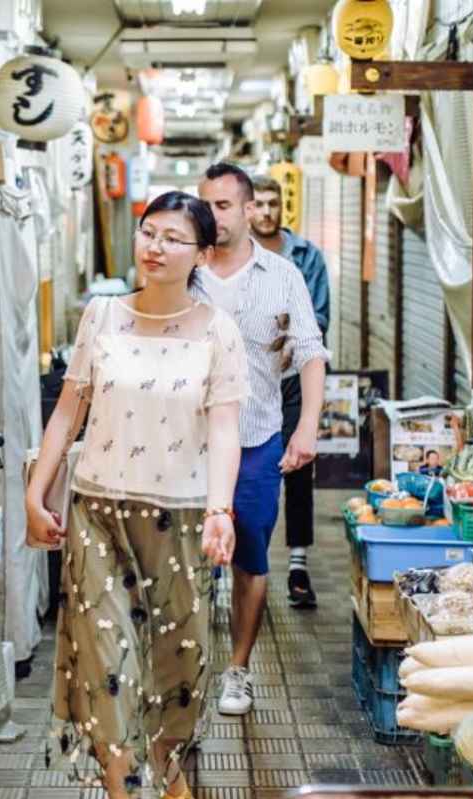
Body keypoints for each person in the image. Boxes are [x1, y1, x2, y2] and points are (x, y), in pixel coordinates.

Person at [26, 191, 246, 799]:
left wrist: (220, 508)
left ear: (201, 253)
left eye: (173, 238)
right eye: (148, 233)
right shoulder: (102, 316)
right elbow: (68, 412)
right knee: (104, 668)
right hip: (97, 512)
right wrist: (36, 491)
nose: (153, 247)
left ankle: (170, 759)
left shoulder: (218, 330)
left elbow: (223, 428)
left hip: (180, 515)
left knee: (178, 668)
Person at [198, 163, 328, 717]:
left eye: (224, 206)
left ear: (251, 209)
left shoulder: (283, 274)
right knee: (182, 558)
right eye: (205, 206)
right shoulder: (184, 271)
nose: (212, 217)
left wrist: (307, 428)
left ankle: (238, 669)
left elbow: (310, 353)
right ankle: (183, 669)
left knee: (250, 555)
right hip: (186, 445)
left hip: (256, 439)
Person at [251, 174, 331, 610]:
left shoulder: (305, 256)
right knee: (249, 470)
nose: (266, 211)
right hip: (244, 385)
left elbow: (316, 320)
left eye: (272, 203)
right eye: (258, 203)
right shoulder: (232, 257)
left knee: (298, 469)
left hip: (292, 381)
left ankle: (298, 563)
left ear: (284, 207)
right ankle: (246, 564)